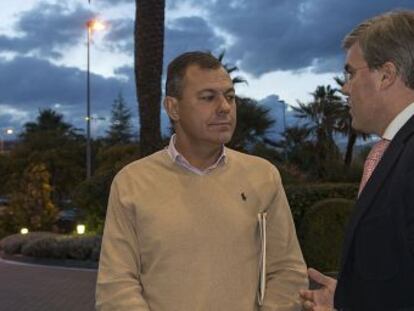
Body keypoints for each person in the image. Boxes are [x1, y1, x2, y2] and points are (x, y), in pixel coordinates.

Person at [96, 51, 308, 311]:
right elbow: (116, 285)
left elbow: (287, 270)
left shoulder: (263, 176)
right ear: (173, 108)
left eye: (230, 97)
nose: (225, 107)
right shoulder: (131, 183)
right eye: (208, 98)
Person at [300, 10, 414, 311]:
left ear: (386, 75)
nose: (344, 87)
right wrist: (351, 297)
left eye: (350, 73)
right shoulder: (394, 152)